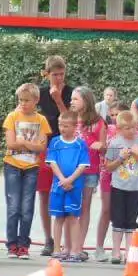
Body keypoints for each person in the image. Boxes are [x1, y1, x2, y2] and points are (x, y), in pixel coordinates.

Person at [3, 84, 51, 260]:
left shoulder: (41, 120)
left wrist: (25, 143)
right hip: (12, 165)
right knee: (13, 206)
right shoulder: (12, 117)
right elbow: (10, 144)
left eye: (27, 100)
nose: (23, 103)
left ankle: (24, 245)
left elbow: (41, 147)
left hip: (31, 167)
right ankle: (12, 244)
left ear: (36, 101)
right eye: (20, 100)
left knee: (27, 207)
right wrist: (30, 145)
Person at [37, 55, 73, 257]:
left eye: (62, 74)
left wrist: (59, 99)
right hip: (44, 148)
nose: (59, 78)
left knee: (64, 191)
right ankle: (48, 239)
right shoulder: (39, 94)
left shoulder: (71, 93)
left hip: (66, 149)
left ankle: (66, 242)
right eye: (55, 74)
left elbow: (71, 120)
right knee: (43, 194)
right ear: (47, 74)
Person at [104, 110, 138, 264]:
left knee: (131, 220)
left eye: (133, 127)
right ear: (119, 129)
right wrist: (120, 158)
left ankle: (129, 252)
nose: (131, 131)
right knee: (117, 219)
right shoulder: (115, 143)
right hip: (118, 186)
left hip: (136, 188)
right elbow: (108, 167)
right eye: (127, 128)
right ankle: (116, 251)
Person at [46, 112, 90, 263]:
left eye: (66, 126)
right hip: (58, 185)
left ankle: (75, 250)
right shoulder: (55, 142)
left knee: (73, 217)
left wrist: (70, 180)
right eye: (60, 125)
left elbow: (83, 165)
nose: (62, 128)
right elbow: (52, 162)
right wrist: (62, 179)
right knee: (58, 217)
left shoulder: (80, 144)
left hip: (75, 186)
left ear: (74, 126)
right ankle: (57, 249)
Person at [70, 87, 107, 263]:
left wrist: (99, 145)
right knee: (69, 209)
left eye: (76, 99)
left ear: (86, 100)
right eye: (72, 99)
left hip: (89, 170)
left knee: (84, 208)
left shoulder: (98, 122)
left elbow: (104, 146)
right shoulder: (69, 119)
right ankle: (68, 246)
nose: (72, 102)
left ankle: (78, 247)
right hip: (69, 170)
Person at [94, 100, 129, 261]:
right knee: (106, 209)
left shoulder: (130, 132)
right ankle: (99, 247)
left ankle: (119, 249)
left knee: (122, 211)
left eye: (118, 115)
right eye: (112, 115)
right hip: (107, 173)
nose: (115, 118)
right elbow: (103, 150)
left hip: (124, 174)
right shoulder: (107, 130)